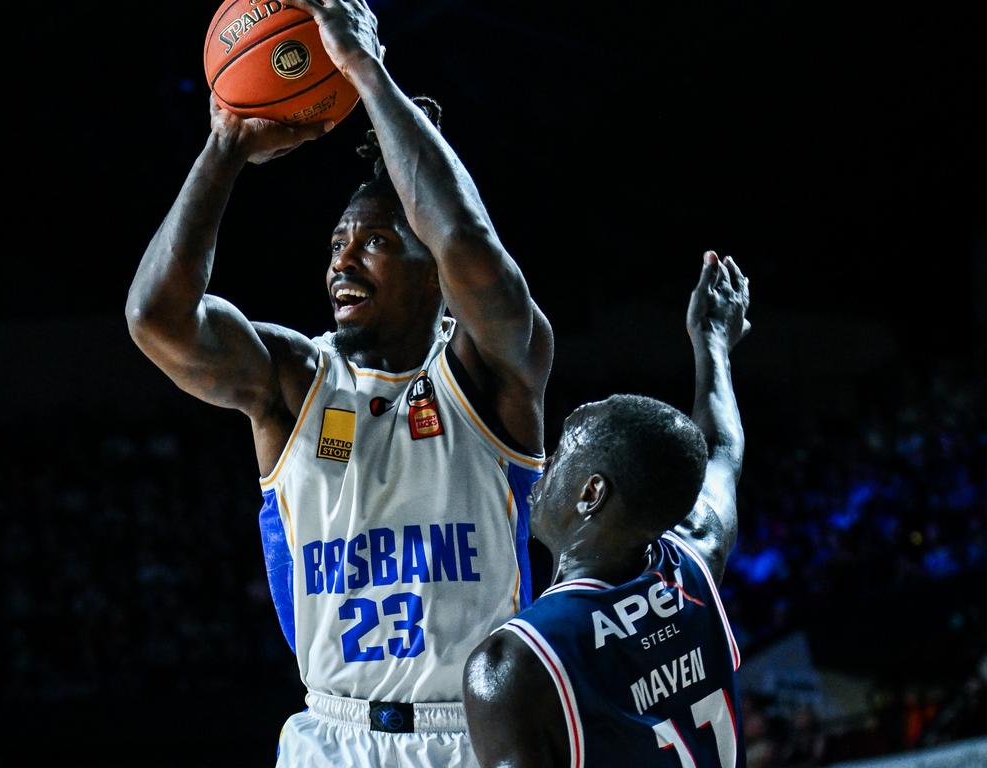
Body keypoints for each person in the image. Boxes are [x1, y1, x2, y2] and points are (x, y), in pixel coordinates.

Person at [124, 1, 553, 764]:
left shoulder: (491, 372)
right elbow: (155, 316)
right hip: (329, 735)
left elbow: (466, 238)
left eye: (376, 243)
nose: (341, 263)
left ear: (433, 274)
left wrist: (362, 67)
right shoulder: (293, 379)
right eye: (337, 243)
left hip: (470, 735)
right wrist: (225, 147)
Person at [463, 251, 750, 768]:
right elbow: (722, 450)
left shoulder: (514, 663)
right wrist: (714, 346)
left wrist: (710, 340)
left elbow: (721, 448)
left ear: (590, 493)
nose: (541, 468)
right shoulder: (696, 560)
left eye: (558, 457)